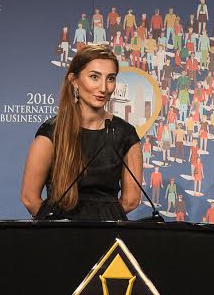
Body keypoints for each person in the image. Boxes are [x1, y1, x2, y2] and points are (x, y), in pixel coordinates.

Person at [20, 45, 142, 220]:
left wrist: (99, 223)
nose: (104, 87)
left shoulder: (125, 134)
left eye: (110, 78)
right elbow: (29, 198)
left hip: (108, 234)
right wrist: (57, 227)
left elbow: (131, 200)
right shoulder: (51, 132)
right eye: (94, 77)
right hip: (60, 234)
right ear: (74, 80)